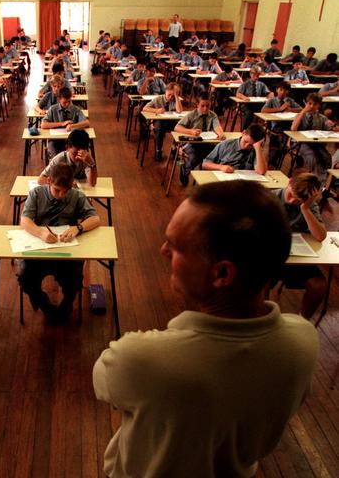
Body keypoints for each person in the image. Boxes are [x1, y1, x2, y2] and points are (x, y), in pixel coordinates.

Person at [93, 180, 318, 478]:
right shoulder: (304, 341)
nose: (162, 251)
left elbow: (104, 385)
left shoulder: (138, 358)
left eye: (175, 246)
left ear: (222, 273)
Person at [18, 163, 100, 323]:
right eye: (57, 190)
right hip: (40, 248)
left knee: (74, 279)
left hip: (66, 249)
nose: (61, 195)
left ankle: (67, 303)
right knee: (25, 277)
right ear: (48, 182)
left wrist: (79, 228)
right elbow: (24, 221)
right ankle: (44, 304)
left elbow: (95, 218)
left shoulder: (76, 196)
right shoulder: (36, 193)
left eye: (66, 190)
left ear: (71, 185)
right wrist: (41, 232)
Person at [273, 173, 327, 319]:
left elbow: (320, 236)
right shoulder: (269, 199)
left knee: (318, 285)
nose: (292, 201)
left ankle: (303, 320)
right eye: (291, 195)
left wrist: (305, 209)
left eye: (298, 200)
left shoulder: (308, 205)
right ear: (289, 182)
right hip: (271, 257)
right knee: (261, 280)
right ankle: (265, 319)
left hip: (297, 257)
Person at [174, 93, 225, 183]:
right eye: (202, 106)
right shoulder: (192, 115)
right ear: (197, 104)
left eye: (207, 106)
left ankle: (205, 179)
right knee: (194, 158)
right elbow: (177, 127)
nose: (205, 108)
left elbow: (217, 126)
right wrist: (191, 131)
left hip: (206, 143)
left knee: (217, 156)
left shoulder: (212, 115)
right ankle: (185, 168)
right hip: (192, 143)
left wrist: (220, 134)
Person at [291, 92, 339, 180]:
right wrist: (303, 111)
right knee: (312, 155)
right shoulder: (300, 115)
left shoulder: (322, 118)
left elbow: (330, 130)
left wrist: (334, 127)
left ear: (319, 106)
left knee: (327, 157)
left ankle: (325, 179)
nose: (312, 106)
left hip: (315, 144)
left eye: (315, 104)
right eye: (309, 103)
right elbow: (293, 129)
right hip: (300, 144)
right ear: (306, 103)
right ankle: (317, 179)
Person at [40, 87, 90, 160]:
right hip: (55, 141)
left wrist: (73, 126)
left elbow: (87, 122)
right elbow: (43, 125)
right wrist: (62, 123)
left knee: (75, 155)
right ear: (59, 100)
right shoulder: (53, 109)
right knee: (57, 158)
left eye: (69, 101)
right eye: (64, 102)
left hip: (72, 141)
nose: (67, 104)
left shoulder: (75, 109)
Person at [261, 82, 303, 167]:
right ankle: (274, 159)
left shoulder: (289, 100)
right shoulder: (272, 100)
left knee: (293, 137)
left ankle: (289, 149)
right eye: (281, 90)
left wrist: (290, 109)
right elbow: (263, 110)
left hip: (289, 125)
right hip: (277, 126)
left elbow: (301, 109)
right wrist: (280, 109)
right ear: (277, 90)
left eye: (285, 90)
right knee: (277, 145)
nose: (282, 92)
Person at [202, 123, 267, 174]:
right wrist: (221, 167)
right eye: (245, 141)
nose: (246, 146)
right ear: (243, 133)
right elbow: (205, 164)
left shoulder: (256, 150)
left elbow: (261, 171)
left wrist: (258, 148)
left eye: (251, 145)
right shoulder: (226, 144)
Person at [142, 82, 183, 161]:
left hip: (172, 122)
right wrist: (156, 110)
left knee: (180, 128)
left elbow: (179, 111)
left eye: (173, 95)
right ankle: (158, 150)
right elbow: (145, 108)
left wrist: (176, 97)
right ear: (165, 92)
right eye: (169, 95)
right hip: (159, 121)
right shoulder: (159, 98)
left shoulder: (176, 100)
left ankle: (175, 148)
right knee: (159, 128)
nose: (171, 97)